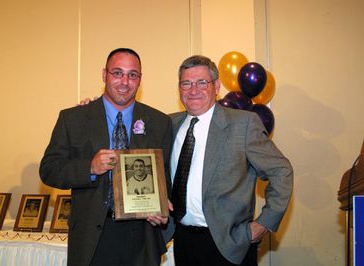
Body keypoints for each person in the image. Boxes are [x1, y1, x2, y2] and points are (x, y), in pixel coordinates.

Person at [40, 48, 172, 266]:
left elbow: (165, 175)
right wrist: (89, 168)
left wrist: (161, 205)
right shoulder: (73, 118)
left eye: (132, 75)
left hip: (142, 238)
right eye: (117, 73)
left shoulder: (159, 122)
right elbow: (49, 170)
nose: (124, 82)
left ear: (140, 79)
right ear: (104, 75)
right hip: (92, 238)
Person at [167, 55, 293, 266]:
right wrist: (94, 111)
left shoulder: (243, 124)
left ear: (216, 86)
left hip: (230, 245)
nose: (193, 90)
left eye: (202, 82)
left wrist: (263, 223)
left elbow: (281, 171)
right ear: (179, 88)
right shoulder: (169, 124)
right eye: (186, 83)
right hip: (181, 241)